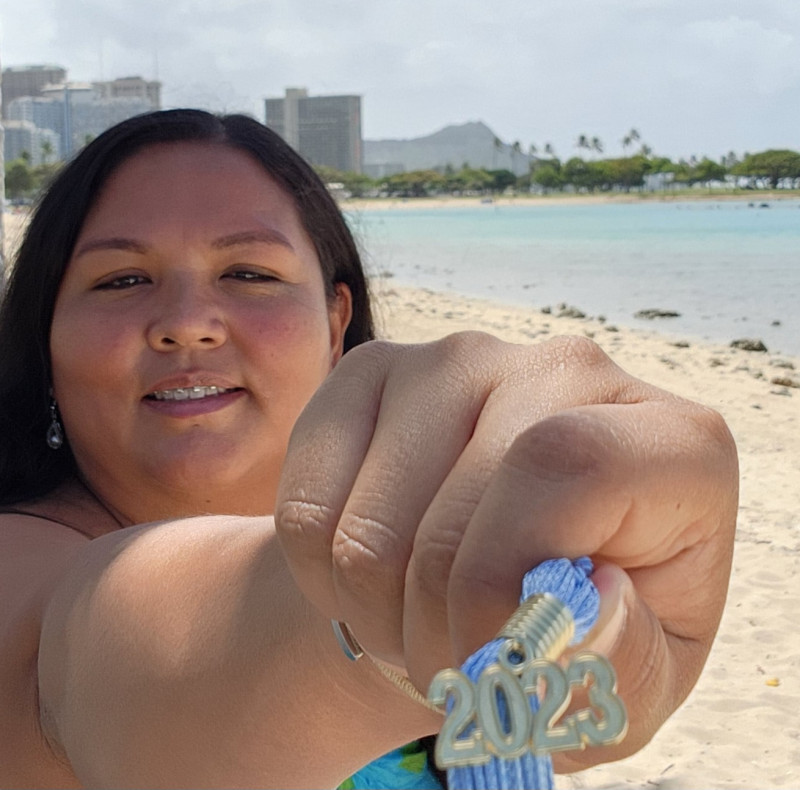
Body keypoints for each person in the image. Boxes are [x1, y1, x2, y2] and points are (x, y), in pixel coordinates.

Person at [0, 109, 738, 789]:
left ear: (334, 322)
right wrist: (384, 623)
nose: (189, 323)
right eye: (122, 279)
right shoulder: (22, 570)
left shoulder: (450, 530)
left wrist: (557, 604)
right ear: (47, 339)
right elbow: (92, 660)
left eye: (249, 274)